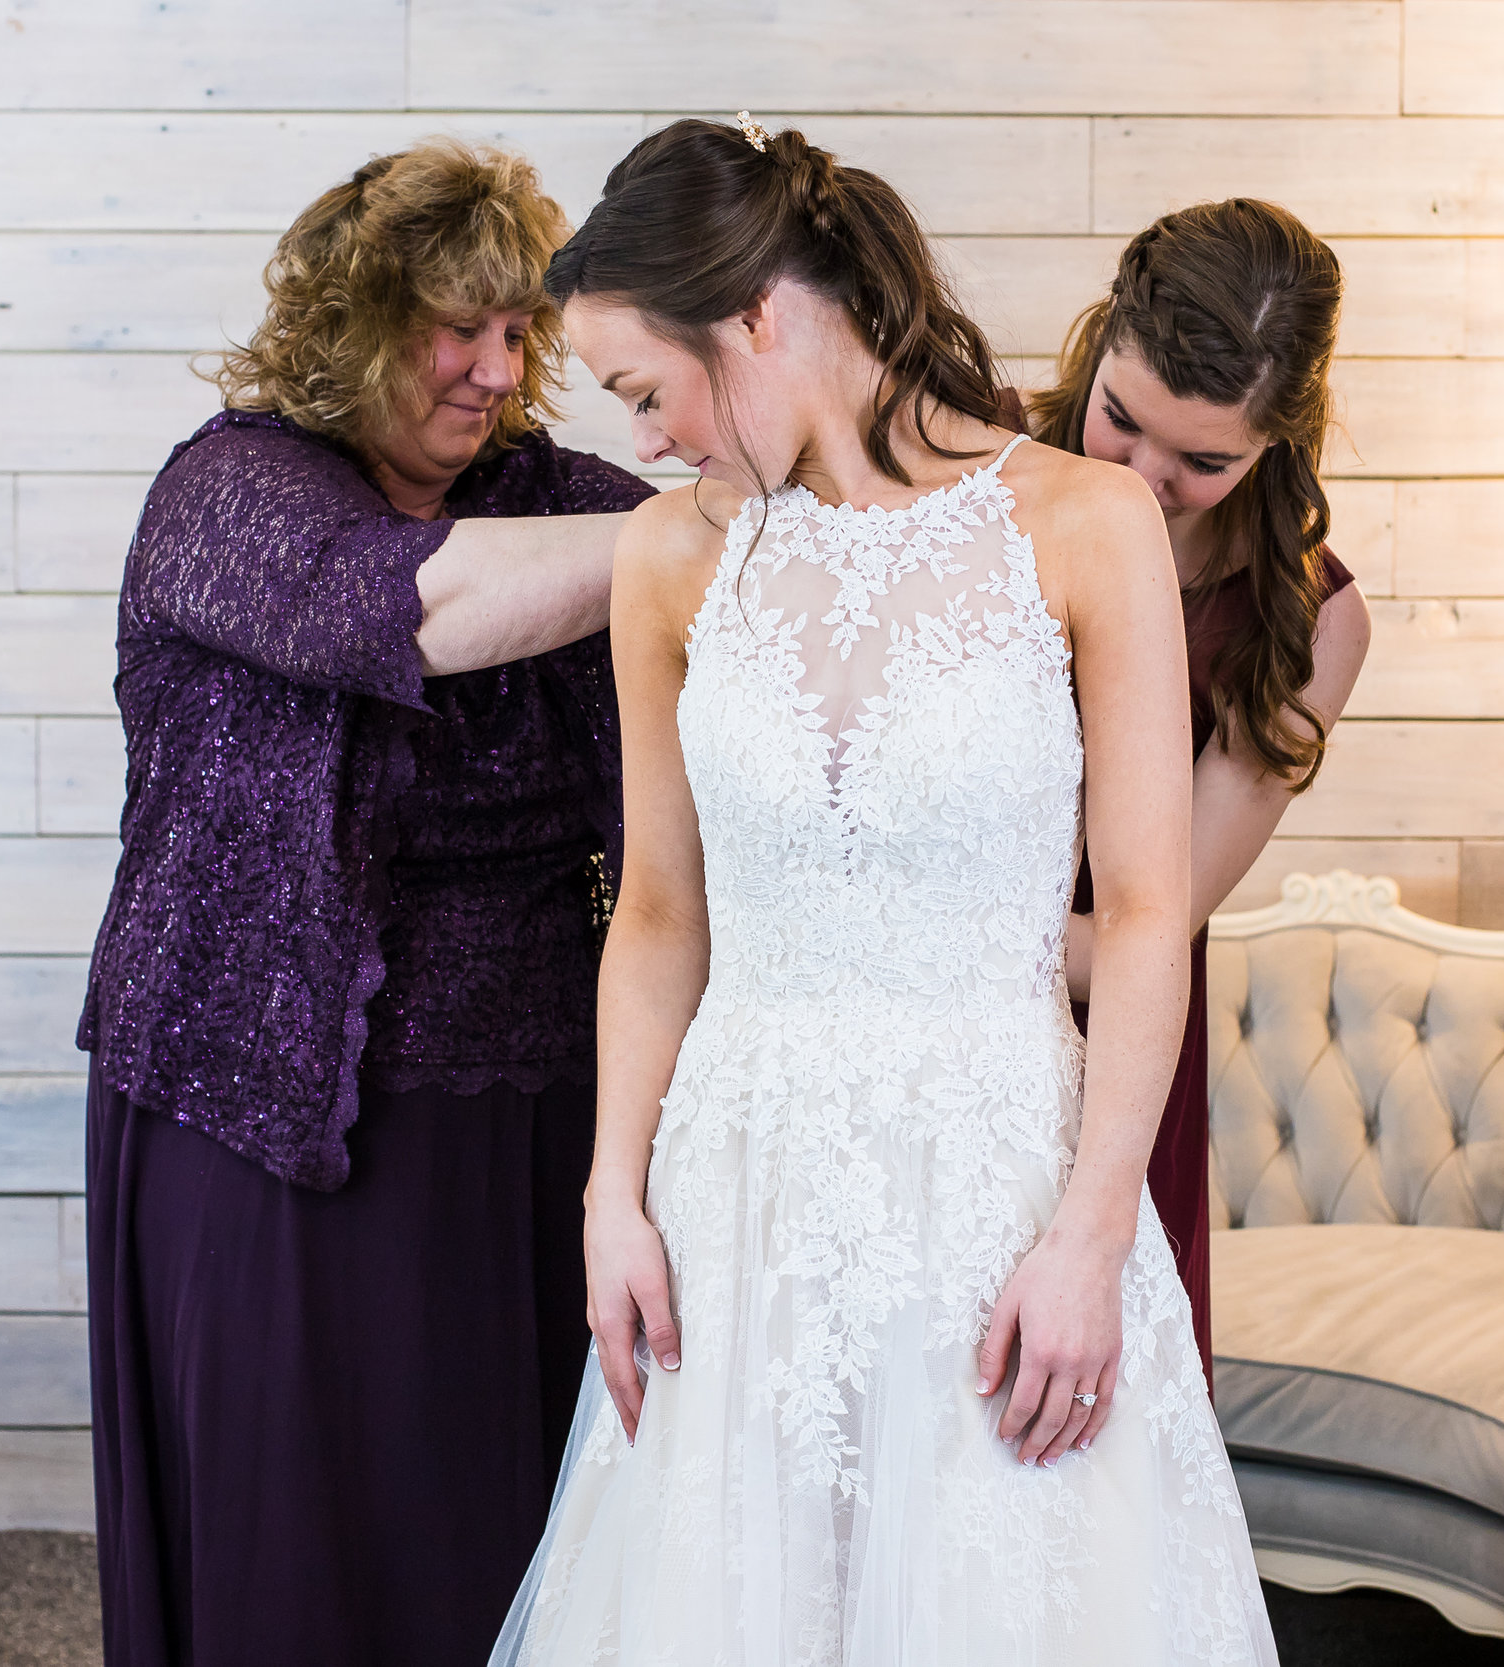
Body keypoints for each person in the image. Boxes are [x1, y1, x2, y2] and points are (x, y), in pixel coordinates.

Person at [494, 118, 1276, 1664]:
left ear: (755, 319)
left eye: (647, 392)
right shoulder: (671, 557)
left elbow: (1140, 914)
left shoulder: (1086, 522)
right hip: (738, 1183)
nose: (644, 440)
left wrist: (1091, 1234)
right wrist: (610, 1195)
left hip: (996, 1175)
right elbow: (660, 915)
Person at [77, 140, 654, 1667]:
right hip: (263, 1113)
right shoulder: (232, 489)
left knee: (510, 1526)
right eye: (450, 328)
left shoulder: (558, 497)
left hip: (531, 1110)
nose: (490, 368)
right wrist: (704, 529)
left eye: (519, 331)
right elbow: (408, 600)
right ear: (350, 326)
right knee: (311, 1540)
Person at [1036, 201, 1371, 1392]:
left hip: (1111, 1023)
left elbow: (1151, 920)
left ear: (1280, 439)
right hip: (916, 1016)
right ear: (1101, 343)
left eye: (1202, 460)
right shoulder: (979, 483)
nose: (1142, 475)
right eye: (1120, 420)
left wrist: (911, 940)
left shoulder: (1308, 623)